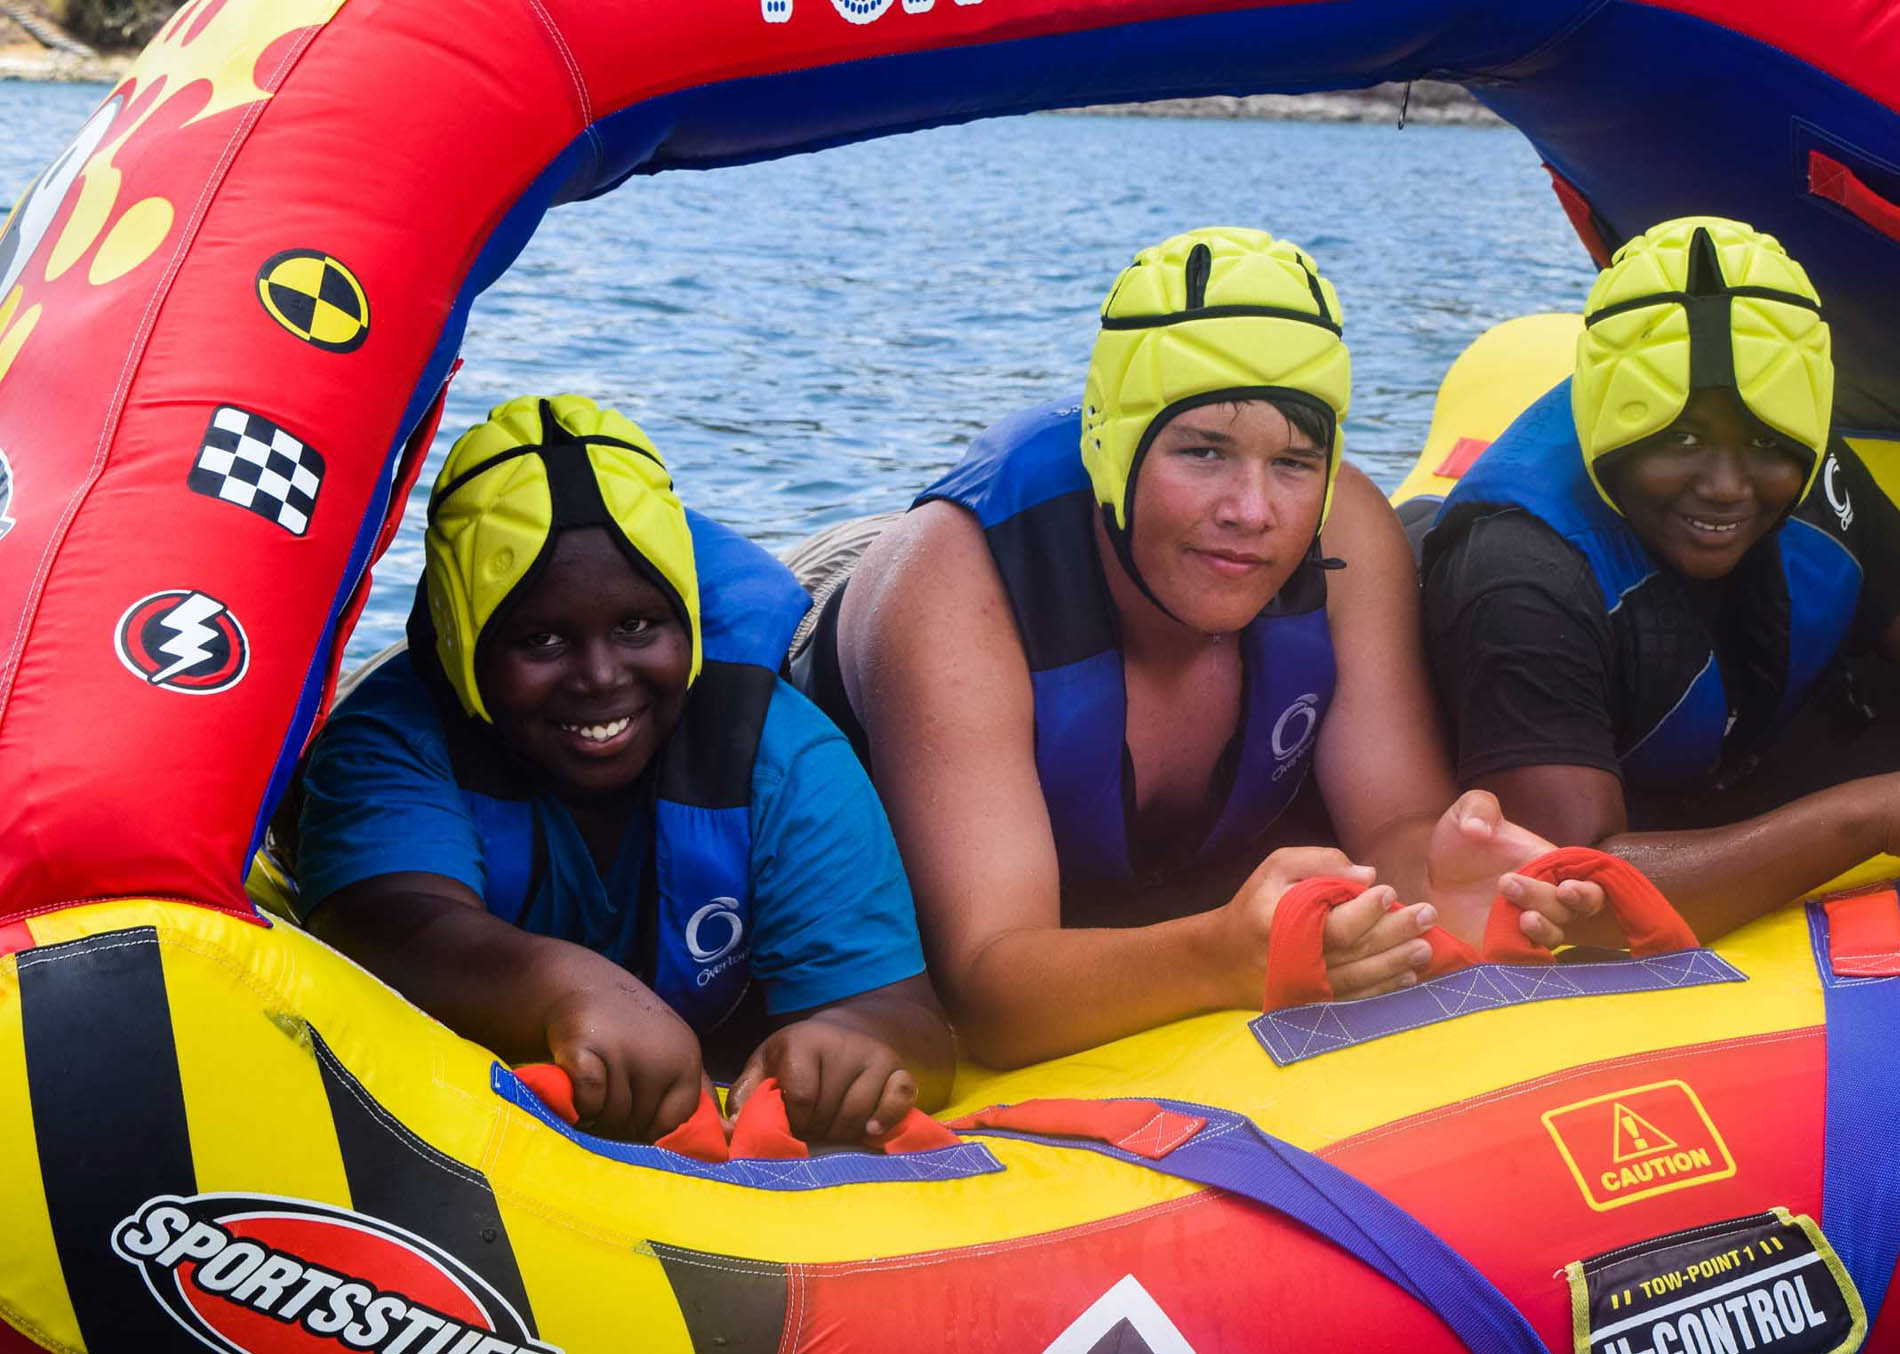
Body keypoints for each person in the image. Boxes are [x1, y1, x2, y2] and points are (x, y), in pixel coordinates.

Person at [789, 227, 1602, 1068]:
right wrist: (1220, 958)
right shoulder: (964, 587)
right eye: (1203, 450)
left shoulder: (1348, 530)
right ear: (1112, 449)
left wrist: (1440, 884)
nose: (1252, 510)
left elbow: (1396, 817)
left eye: (1294, 460)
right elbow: (992, 989)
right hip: (853, 590)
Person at [1421, 217, 1900, 938]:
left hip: (1722, 759)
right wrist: (1872, 817)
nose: (1728, 484)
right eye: (1685, 437)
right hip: (1608, 799)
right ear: (1610, 421)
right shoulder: (1518, 569)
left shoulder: (1811, 468)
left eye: (1764, 440)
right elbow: (1560, 889)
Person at [297, 395, 950, 1145]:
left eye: (638, 626)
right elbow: (377, 924)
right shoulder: (389, 740)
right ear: (464, 645)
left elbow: (911, 1024)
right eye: (541, 640)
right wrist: (564, 990)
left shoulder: (782, 755)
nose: (601, 676)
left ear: (688, 620)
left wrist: (853, 1045)